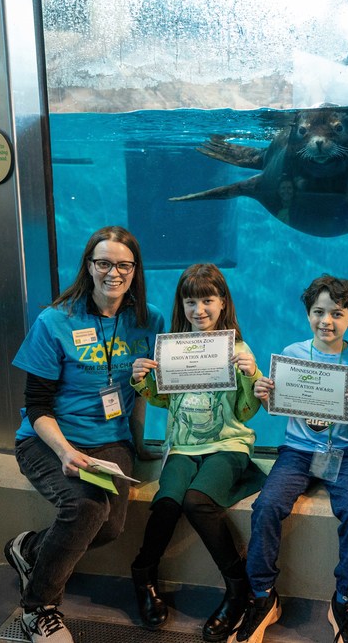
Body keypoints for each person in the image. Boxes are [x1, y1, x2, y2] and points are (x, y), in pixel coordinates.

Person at [3, 225, 166, 643]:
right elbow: (37, 405)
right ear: (89, 266)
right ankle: (39, 608)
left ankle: (30, 550)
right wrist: (63, 451)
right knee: (88, 508)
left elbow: (142, 392)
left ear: (136, 270)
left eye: (124, 265)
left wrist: (140, 439)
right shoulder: (55, 321)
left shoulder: (149, 321)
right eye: (104, 263)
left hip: (111, 442)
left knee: (110, 527)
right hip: (48, 439)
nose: (114, 273)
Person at [236, 275, 348, 643]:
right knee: (266, 506)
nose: (326, 321)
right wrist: (265, 392)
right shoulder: (293, 354)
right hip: (298, 451)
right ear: (307, 314)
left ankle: (344, 600)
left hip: (345, 454)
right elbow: (276, 407)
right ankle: (263, 596)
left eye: (337, 313)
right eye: (318, 312)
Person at [128, 263, 264, 641]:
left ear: (223, 302)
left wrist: (251, 376)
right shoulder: (172, 346)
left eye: (207, 300)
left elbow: (246, 412)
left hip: (228, 445)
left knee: (198, 501)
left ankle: (238, 587)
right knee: (168, 500)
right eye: (191, 301)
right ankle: (143, 573)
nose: (199, 309)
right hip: (183, 447)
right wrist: (141, 381)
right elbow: (165, 402)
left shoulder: (238, 348)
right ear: (181, 304)